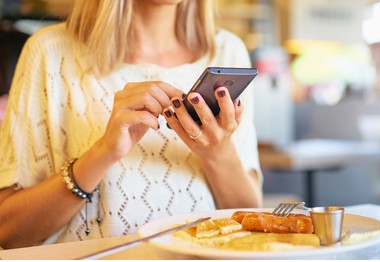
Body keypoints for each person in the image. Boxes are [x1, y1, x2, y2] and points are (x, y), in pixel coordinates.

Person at [0, 0, 262, 249]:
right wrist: (103, 152)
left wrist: (216, 152)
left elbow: (252, 216)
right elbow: (8, 231)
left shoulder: (228, 51)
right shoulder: (50, 52)